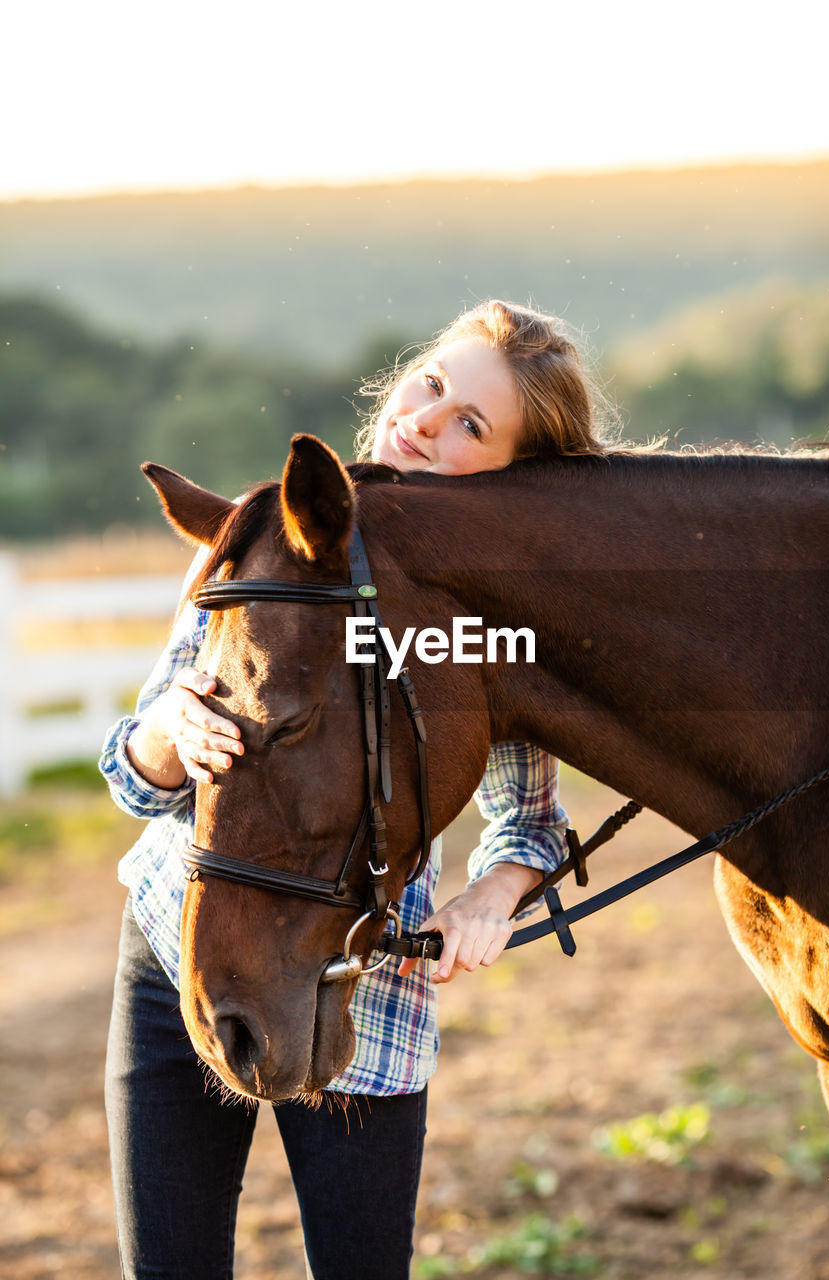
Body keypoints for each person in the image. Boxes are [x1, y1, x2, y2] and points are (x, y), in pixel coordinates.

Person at [100, 300, 617, 1280]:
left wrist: (488, 895)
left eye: (471, 423)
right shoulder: (257, 534)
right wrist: (172, 730)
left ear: (514, 471)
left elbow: (528, 822)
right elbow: (133, 776)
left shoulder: (484, 621)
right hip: (183, 957)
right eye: (432, 385)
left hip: (367, 993)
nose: (427, 419)